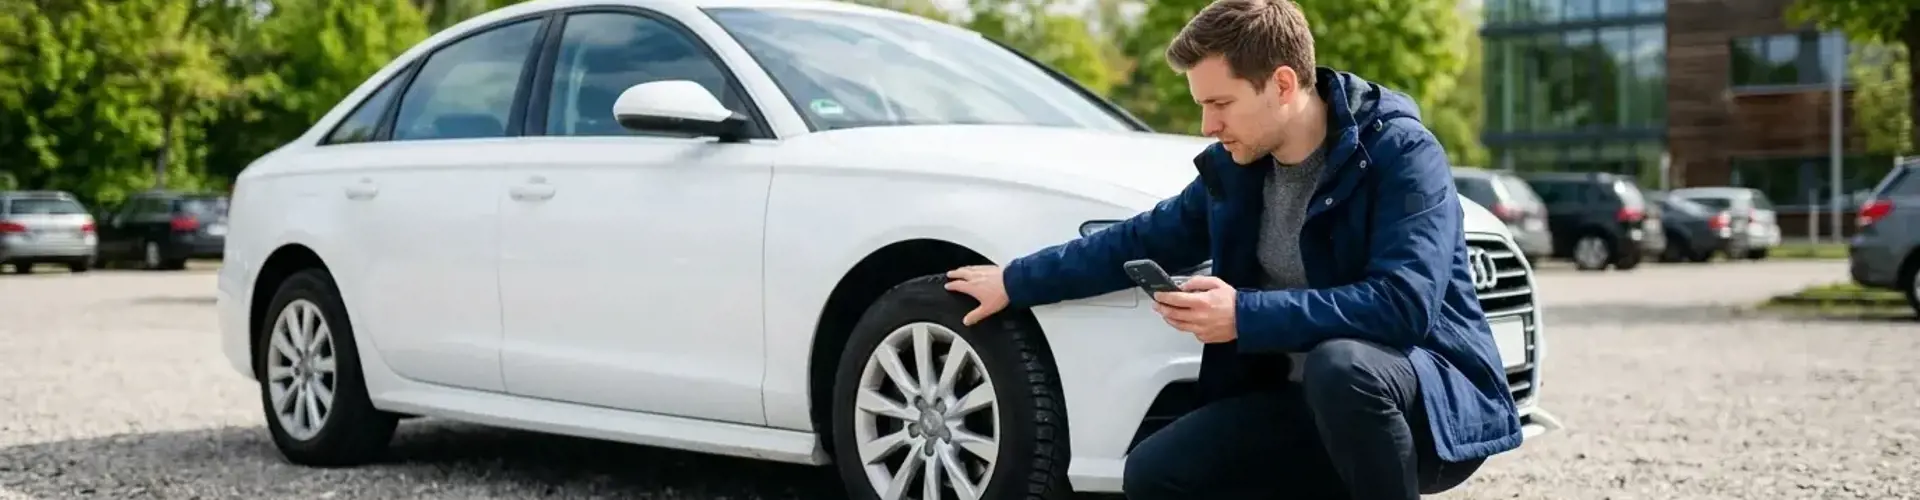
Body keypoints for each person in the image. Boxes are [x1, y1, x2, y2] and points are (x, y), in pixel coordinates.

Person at [940, 0, 1521, 498]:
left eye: (1220, 103)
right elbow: (1140, 238)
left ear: (1283, 84)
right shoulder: (1238, 168)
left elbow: (1402, 305)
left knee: (1341, 367)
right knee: (1154, 473)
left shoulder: (1400, 152)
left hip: (1422, 405)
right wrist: (1015, 280)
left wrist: (1242, 314)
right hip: (1299, 407)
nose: (1206, 125)